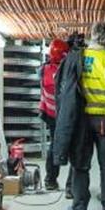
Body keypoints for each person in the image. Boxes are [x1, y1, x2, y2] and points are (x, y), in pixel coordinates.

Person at [66, 22, 105, 210]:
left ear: (92, 35)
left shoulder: (78, 58)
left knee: (81, 163)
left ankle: (79, 206)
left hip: (82, 120)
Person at [38, 38, 69, 191]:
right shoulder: (63, 71)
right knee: (72, 148)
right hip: (63, 115)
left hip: (50, 113)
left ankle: (50, 180)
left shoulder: (44, 69)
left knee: (54, 146)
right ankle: (70, 187)